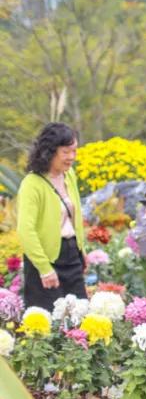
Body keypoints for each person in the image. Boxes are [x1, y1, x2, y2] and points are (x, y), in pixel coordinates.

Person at [16, 123, 87, 309]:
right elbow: (25, 231)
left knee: (81, 314)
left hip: (72, 255)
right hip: (45, 260)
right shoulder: (32, 184)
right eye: (66, 152)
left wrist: (82, 250)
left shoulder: (69, 175)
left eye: (74, 151)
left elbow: (75, 216)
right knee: (49, 318)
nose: (71, 157)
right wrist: (44, 268)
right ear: (49, 151)